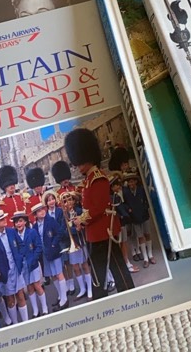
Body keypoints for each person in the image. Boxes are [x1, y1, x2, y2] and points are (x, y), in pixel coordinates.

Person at [64, 126, 134, 298]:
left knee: (114, 267)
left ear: (87, 158)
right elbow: (88, 204)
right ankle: (102, 296)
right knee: (98, 270)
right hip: (95, 234)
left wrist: (81, 220)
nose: (78, 166)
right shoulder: (89, 179)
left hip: (103, 232)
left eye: (80, 162)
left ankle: (125, 293)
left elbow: (98, 208)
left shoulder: (98, 178)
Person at [0, 208, 29, 325]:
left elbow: (21, 245)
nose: (4, 220)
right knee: (10, 299)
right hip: (5, 273)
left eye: (3, 218)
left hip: (16, 269)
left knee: (20, 295)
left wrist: (20, 259)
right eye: (1, 219)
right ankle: (15, 323)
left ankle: (26, 322)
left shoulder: (11, 231)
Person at [31, 200, 69, 308]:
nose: (42, 212)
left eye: (42, 209)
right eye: (39, 211)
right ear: (35, 215)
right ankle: (60, 296)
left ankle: (64, 299)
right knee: (53, 275)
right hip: (45, 254)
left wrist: (54, 243)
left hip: (54, 250)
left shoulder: (50, 220)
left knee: (59, 273)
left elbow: (59, 232)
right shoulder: (35, 226)